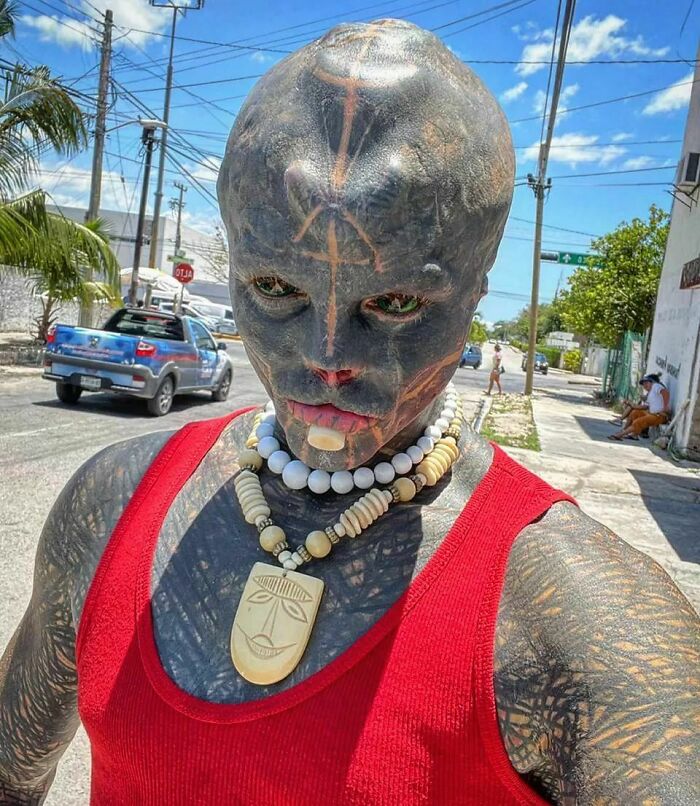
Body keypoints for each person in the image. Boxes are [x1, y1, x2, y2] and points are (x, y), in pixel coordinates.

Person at [1, 20, 698, 805]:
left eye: (396, 302)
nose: (328, 356)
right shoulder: (112, 503)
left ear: (478, 291)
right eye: (277, 291)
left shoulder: (587, 622)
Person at [609, 374, 671, 441]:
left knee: (638, 422)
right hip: (652, 413)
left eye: (646, 383)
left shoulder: (656, 386)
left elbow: (665, 393)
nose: (644, 386)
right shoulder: (650, 393)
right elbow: (645, 407)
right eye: (643, 384)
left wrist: (665, 407)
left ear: (652, 382)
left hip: (660, 415)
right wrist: (632, 405)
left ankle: (619, 435)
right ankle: (633, 434)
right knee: (634, 413)